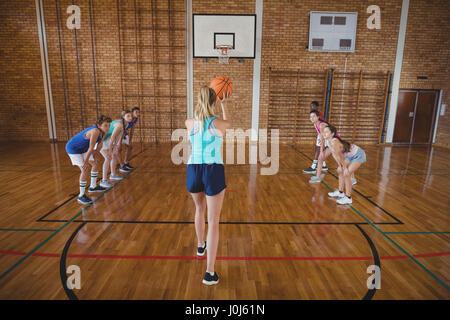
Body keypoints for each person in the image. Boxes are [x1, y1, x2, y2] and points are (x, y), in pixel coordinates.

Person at [185, 86, 231, 285]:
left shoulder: (189, 123)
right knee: (213, 221)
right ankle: (209, 273)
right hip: (212, 170)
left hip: (193, 169)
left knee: (199, 208)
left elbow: (199, 119)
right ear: (214, 102)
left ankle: (200, 245)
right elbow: (228, 124)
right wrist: (224, 105)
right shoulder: (219, 123)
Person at [65, 115, 111, 204]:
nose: (108, 128)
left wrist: (96, 154)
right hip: (73, 148)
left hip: (83, 148)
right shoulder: (95, 131)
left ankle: (93, 186)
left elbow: (100, 144)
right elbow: (91, 148)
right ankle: (81, 195)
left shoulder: (103, 132)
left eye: (109, 126)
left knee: (96, 163)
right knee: (85, 170)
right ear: (99, 125)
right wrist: (85, 162)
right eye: (105, 125)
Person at [323, 124, 366, 205]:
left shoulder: (334, 142)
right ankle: (340, 192)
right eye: (323, 132)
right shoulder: (328, 142)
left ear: (332, 134)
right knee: (340, 170)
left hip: (358, 155)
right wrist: (340, 166)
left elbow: (340, 156)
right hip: (348, 156)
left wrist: (345, 168)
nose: (324, 133)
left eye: (326, 132)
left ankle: (348, 198)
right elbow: (334, 155)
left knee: (347, 173)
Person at [99, 111, 132, 189]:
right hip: (102, 140)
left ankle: (113, 175)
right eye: (128, 116)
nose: (130, 117)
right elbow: (112, 137)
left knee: (114, 156)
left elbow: (119, 135)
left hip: (108, 139)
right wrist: (110, 149)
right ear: (123, 117)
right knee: (108, 158)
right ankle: (103, 180)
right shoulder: (120, 124)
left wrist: (117, 145)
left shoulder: (126, 124)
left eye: (131, 116)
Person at [303, 101, 327, 174]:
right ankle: (324, 165)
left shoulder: (319, 115)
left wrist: (322, 136)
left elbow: (323, 125)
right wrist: (318, 134)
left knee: (319, 149)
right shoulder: (314, 116)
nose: (311, 107)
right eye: (310, 106)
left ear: (316, 107)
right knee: (319, 149)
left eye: (313, 106)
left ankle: (313, 167)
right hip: (322, 133)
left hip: (326, 134)